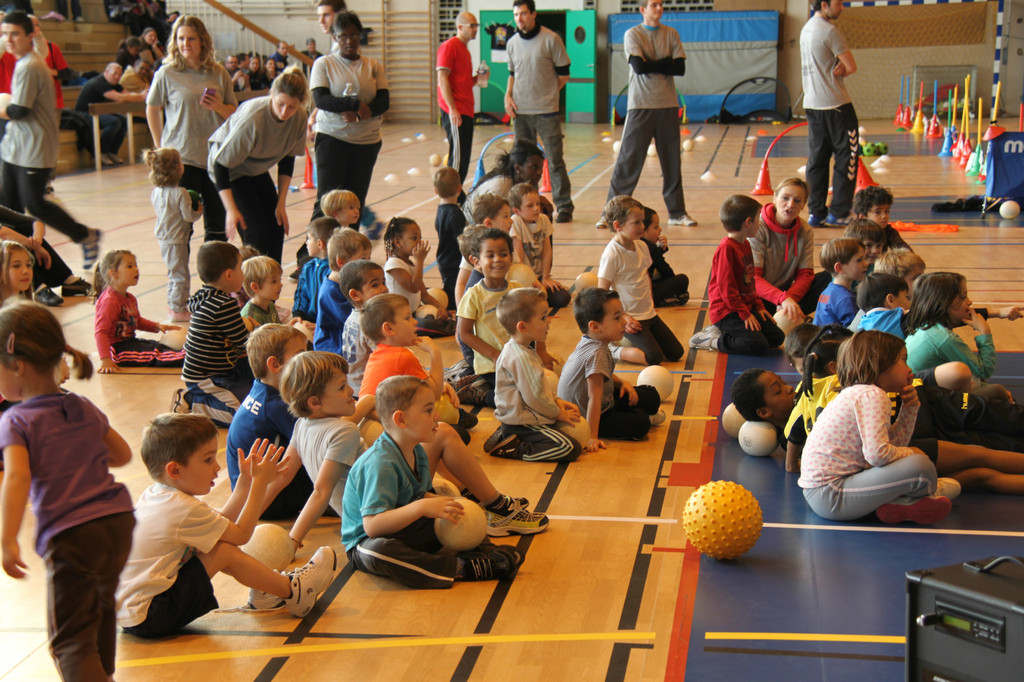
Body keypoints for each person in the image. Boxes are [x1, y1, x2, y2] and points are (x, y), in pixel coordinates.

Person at [0, 301, 135, 680]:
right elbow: (122, 455)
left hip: (72, 535)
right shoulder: (81, 404)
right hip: (117, 523)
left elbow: (16, 478)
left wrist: (7, 540)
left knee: (70, 643)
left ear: (17, 366)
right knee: (99, 615)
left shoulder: (16, 420)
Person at [115, 414, 338, 637]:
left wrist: (245, 481)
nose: (217, 466)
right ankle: (294, 592)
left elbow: (221, 524)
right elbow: (241, 535)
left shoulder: (158, 495)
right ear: (175, 470)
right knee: (222, 551)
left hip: (133, 613)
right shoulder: (182, 508)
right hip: (152, 614)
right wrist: (260, 484)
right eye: (207, 460)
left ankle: (269, 592)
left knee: (216, 542)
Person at [358, 294, 549, 536]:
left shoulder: (380, 354)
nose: (415, 322)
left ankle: (480, 500)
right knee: (444, 433)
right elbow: (432, 390)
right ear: (389, 328)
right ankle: (496, 507)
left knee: (438, 434)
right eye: (407, 318)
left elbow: (421, 391)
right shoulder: (401, 355)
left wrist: (440, 386)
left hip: (380, 441)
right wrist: (435, 353)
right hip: (387, 449)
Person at [342, 376, 524, 588]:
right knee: (380, 551)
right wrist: (422, 506)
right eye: (428, 410)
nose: (437, 416)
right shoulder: (380, 464)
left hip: (403, 527)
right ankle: (460, 568)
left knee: (455, 508)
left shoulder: (416, 450)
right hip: (366, 541)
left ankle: (482, 551)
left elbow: (417, 495)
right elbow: (373, 526)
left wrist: (448, 505)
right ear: (401, 420)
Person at [797, 330, 956, 523]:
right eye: (903, 360)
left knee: (923, 467)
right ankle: (918, 495)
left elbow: (893, 446)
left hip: (827, 495)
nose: (910, 370)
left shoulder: (862, 393)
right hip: (832, 495)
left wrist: (910, 408)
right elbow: (878, 455)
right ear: (880, 363)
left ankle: (902, 503)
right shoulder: (872, 395)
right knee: (921, 466)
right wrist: (912, 453)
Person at [0, 11, 101, 269]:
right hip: (14, 147)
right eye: (5, 34)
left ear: (30, 35)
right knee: (8, 207)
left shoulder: (31, 66)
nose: (8, 39)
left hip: (34, 149)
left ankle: (83, 235)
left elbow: (18, 111)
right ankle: (15, 266)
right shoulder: (22, 62)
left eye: (15, 34)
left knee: (35, 206)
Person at [603, 0, 694, 227]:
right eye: (654, 5)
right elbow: (639, 67)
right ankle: (611, 214)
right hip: (640, 105)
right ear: (642, 9)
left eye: (661, 4)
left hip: (667, 106)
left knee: (672, 162)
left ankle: (677, 213)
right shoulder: (633, 34)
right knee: (628, 161)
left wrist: (651, 62)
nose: (659, 8)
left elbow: (680, 68)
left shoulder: (671, 34)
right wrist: (665, 63)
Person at [147, 16, 237, 243]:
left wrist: (218, 107)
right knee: (181, 228)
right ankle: (180, 268)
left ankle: (213, 267)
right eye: (181, 39)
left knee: (217, 228)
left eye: (191, 38)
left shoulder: (219, 72)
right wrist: (160, 147)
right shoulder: (166, 73)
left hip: (215, 157)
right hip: (182, 159)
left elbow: (235, 114)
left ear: (202, 41)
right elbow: (152, 108)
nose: (185, 44)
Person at [208, 67, 308, 263]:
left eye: (291, 107)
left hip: (255, 169)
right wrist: (231, 210)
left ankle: (271, 278)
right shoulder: (254, 118)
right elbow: (220, 164)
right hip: (229, 171)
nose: (284, 112)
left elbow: (287, 159)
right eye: (280, 104)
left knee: (277, 225)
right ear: (271, 94)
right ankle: (253, 280)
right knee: (255, 232)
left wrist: (281, 203)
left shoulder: (300, 117)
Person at [279, 351, 371, 547]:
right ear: (315, 402)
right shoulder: (345, 430)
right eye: (342, 387)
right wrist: (293, 541)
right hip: (373, 520)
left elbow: (283, 474)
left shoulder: (301, 424)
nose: (350, 391)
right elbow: (321, 492)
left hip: (355, 519)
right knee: (435, 438)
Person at [225, 323, 314, 519]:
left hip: (247, 494)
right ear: (275, 365)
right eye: (300, 355)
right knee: (329, 457)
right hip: (269, 501)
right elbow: (319, 436)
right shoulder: (276, 405)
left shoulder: (261, 389)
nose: (308, 360)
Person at [557, 287, 663, 450]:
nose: (624, 322)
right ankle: (644, 418)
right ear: (595, 326)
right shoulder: (597, 353)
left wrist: (621, 383)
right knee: (641, 423)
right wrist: (591, 437)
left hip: (602, 401)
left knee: (651, 395)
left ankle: (641, 413)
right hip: (588, 415)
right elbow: (594, 398)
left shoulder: (591, 341)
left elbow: (597, 374)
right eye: (617, 317)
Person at [309, 11, 389, 220]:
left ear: (360, 35)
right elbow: (321, 99)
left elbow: (383, 102)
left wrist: (361, 114)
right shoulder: (324, 64)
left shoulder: (373, 66)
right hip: (333, 138)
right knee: (327, 202)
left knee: (355, 203)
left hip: (366, 142)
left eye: (353, 35)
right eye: (343, 36)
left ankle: (350, 242)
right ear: (335, 37)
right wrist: (354, 104)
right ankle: (315, 242)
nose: (349, 41)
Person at [457, 227, 547, 407]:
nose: (498, 259)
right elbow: (464, 333)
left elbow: (536, 323)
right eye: (490, 255)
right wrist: (495, 355)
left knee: (541, 391)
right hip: (492, 364)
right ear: (476, 262)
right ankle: (479, 392)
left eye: (503, 254)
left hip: (521, 359)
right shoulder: (474, 295)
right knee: (519, 400)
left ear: (511, 258)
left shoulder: (517, 290)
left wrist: (542, 352)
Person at [491, 287, 583, 461]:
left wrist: (556, 400)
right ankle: (515, 448)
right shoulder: (520, 357)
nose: (549, 322)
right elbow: (535, 398)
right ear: (522, 327)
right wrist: (557, 413)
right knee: (569, 447)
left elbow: (538, 386)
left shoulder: (522, 349)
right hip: (523, 424)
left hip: (525, 419)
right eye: (543, 318)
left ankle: (507, 435)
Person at [504, 0, 573, 223]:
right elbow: (512, 74)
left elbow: (564, 74)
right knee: (522, 163)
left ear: (533, 14)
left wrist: (548, 93)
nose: (520, 18)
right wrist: (508, 95)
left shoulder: (551, 39)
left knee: (554, 159)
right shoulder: (512, 43)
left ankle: (564, 205)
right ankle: (526, 205)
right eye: (516, 14)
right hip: (520, 111)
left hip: (546, 111)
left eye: (524, 13)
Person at [690, 194, 784, 355]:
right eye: (758, 219)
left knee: (777, 338)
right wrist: (745, 314)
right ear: (748, 222)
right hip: (726, 312)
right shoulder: (726, 249)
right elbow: (727, 291)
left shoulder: (745, 244)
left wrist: (758, 307)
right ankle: (713, 339)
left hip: (742, 307)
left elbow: (750, 281)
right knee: (758, 345)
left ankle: (726, 331)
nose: (760, 223)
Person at [905, 272, 1021, 400]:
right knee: (997, 391)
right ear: (944, 303)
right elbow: (985, 370)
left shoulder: (925, 327)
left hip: (920, 392)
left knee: (976, 375)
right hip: (925, 399)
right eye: (963, 297)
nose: (969, 302)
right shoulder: (945, 339)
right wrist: (985, 332)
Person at [598, 195, 683, 366]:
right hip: (630, 319)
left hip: (649, 314)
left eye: (642, 221)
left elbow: (645, 277)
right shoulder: (612, 254)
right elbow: (602, 292)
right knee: (654, 357)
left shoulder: (642, 246)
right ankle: (611, 350)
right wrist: (622, 317)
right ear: (618, 226)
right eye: (636, 222)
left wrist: (650, 304)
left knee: (676, 353)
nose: (642, 226)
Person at [179, 241, 253, 427]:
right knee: (243, 416)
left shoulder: (206, 296)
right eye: (240, 269)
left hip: (221, 372)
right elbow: (244, 341)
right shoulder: (223, 305)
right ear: (229, 274)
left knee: (252, 400)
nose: (243, 274)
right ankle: (191, 401)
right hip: (205, 378)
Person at [800, 0, 858, 228]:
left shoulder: (806, 29)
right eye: (838, 3)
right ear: (824, 4)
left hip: (812, 104)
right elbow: (851, 67)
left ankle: (816, 213)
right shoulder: (830, 31)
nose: (842, 7)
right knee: (847, 156)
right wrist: (843, 67)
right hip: (836, 104)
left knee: (818, 158)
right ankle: (840, 212)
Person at [92, 249, 183, 373]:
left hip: (131, 343)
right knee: (157, 355)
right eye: (130, 266)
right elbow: (100, 332)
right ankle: (191, 358)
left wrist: (156, 326)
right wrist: (106, 359)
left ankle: (191, 354)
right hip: (118, 351)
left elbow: (136, 321)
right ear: (113, 273)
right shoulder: (110, 301)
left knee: (158, 347)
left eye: (136, 265)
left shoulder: (130, 298)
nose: (136, 269)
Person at [751, 177, 825, 319]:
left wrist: (788, 299)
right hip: (758, 296)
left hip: (785, 296)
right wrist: (782, 299)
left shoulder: (805, 231)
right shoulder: (758, 227)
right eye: (785, 198)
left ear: (803, 205)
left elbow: (805, 275)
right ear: (775, 198)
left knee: (829, 278)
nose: (790, 205)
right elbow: (753, 278)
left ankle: (788, 314)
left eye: (797, 201)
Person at [146, 146, 202, 322]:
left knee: (174, 273)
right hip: (176, 239)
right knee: (181, 275)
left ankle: (173, 304)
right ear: (178, 167)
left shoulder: (156, 192)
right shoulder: (180, 193)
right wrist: (199, 211)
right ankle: (178, 309)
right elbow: (188, 216)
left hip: (163, 238)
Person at [382, 217, 453, 336]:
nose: (419, 242)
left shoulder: (410, 263)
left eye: (420, 238)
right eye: (414, 238)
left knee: (434, 314)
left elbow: (424, 295)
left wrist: (441, 308)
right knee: (426, 325)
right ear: (398, 242)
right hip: (399, 318)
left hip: (413, 314)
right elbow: (414, 288)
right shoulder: (393, 264)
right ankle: (452, 327)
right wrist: (420, 261)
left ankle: (449, 323)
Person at [436, 12, 482, 195]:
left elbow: (463, 82)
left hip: (467, 109)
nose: (475, 29)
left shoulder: (465, 50)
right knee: (457, 158)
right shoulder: (450, 46)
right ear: (460, 27)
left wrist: (477, 78)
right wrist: (452, 109)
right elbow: (442, 78)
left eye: (476, 25)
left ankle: (457, 195)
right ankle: (450, 197)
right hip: (456, 110)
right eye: (472, 25)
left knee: (464, 158)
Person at [508, 182, 570, 310]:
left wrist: (545, 278)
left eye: (537, 204)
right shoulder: (516, 221)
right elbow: (519, 258)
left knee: (563, 298)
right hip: (523, 278)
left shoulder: (544, 219)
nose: (536, 208)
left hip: (539, 276)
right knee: (531, 303)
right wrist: (532, 282)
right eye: (530, 206)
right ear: (516, 211)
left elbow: (547, 251)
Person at [75, 62, 147, 166]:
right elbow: (119, 98)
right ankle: (100, 153)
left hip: (99, 112)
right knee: (114, 122)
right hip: (84, 114)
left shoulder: (114, 84)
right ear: (106, 72)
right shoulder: (99, 83)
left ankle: (112, 152)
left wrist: (141, 95)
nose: (117, 77)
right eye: (114, 74)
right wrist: (140, 97)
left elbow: (127, 94)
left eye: (119, 75)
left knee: (124, 121)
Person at [314, 227, 371, 354]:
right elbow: (351, 318)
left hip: (346, 339)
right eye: (363, 259)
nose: (367, 264)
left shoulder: (349, 281)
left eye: (368, 259)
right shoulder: (331, 291)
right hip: (333, 347)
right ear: (342, 262)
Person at [463, 139, 547, 224]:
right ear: (518, 168)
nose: (539, 172)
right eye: (534, 168)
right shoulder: (502, 187)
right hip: (472, 226)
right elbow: (492, 223)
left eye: (541, 168)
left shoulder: (524, 183)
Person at [338, 258, 388, 395]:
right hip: (368, 389)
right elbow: (386, 355)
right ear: (355, 295)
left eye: (383, 283)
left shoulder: (352, 317)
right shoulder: (370, 322)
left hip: (353, 384)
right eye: (375, 285)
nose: (384, 289)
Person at [292, 216, 338, 323]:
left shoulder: (334, 270)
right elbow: (301, 293)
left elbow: (334, 303)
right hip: (309, 319)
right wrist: (298, 313)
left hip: (327, 322)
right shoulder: (308, 267)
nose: (306, 243)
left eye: (309, 239)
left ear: (319, 244)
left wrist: (322, 324)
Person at [641, 206, 689, 307]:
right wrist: (657, 251)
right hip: (646, 296)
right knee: (682, 280)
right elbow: (668, 273)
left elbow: (650, 259)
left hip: (628, 294)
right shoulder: (650, 247)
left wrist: (660, 250)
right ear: (643, 230)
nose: (660, 230)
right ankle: (660, 301)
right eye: (655, 227)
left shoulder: (635, 243)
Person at [814, 237, 867, 327]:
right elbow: (854, 332)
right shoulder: (845, 298)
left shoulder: (828, 291)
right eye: (859, 260)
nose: (866, 264)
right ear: (839, 268)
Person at [434, 166, 466, 310]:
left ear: (436, 191)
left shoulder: (441, 210)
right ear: (459, 188)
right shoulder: (455, 214)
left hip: (444, 260)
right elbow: (462, 240)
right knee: (455, 294)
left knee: (451, 288)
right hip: (454, 261)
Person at [852, 185, 912, 251]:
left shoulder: (888, 231)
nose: (884, 216)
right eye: (877, 212)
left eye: (886, 211)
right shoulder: (855, 234)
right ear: (863, 216)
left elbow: (906, 251)